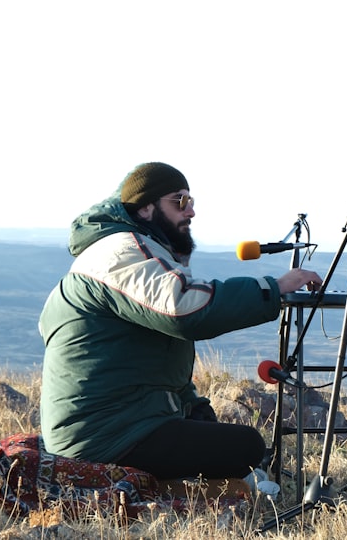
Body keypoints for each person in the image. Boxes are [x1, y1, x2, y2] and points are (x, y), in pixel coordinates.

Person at [38, 162, 322, 482]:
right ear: (146, 208)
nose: (191, 212)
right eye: (180, 201)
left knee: (215, 430)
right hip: (102, 435)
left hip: (116, 420)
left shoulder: (132, 249)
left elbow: (150, 359)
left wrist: (192, 406)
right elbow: (182, 309)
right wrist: (274, 287)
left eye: (191, 201)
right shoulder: (120, 253)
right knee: (247, 446)